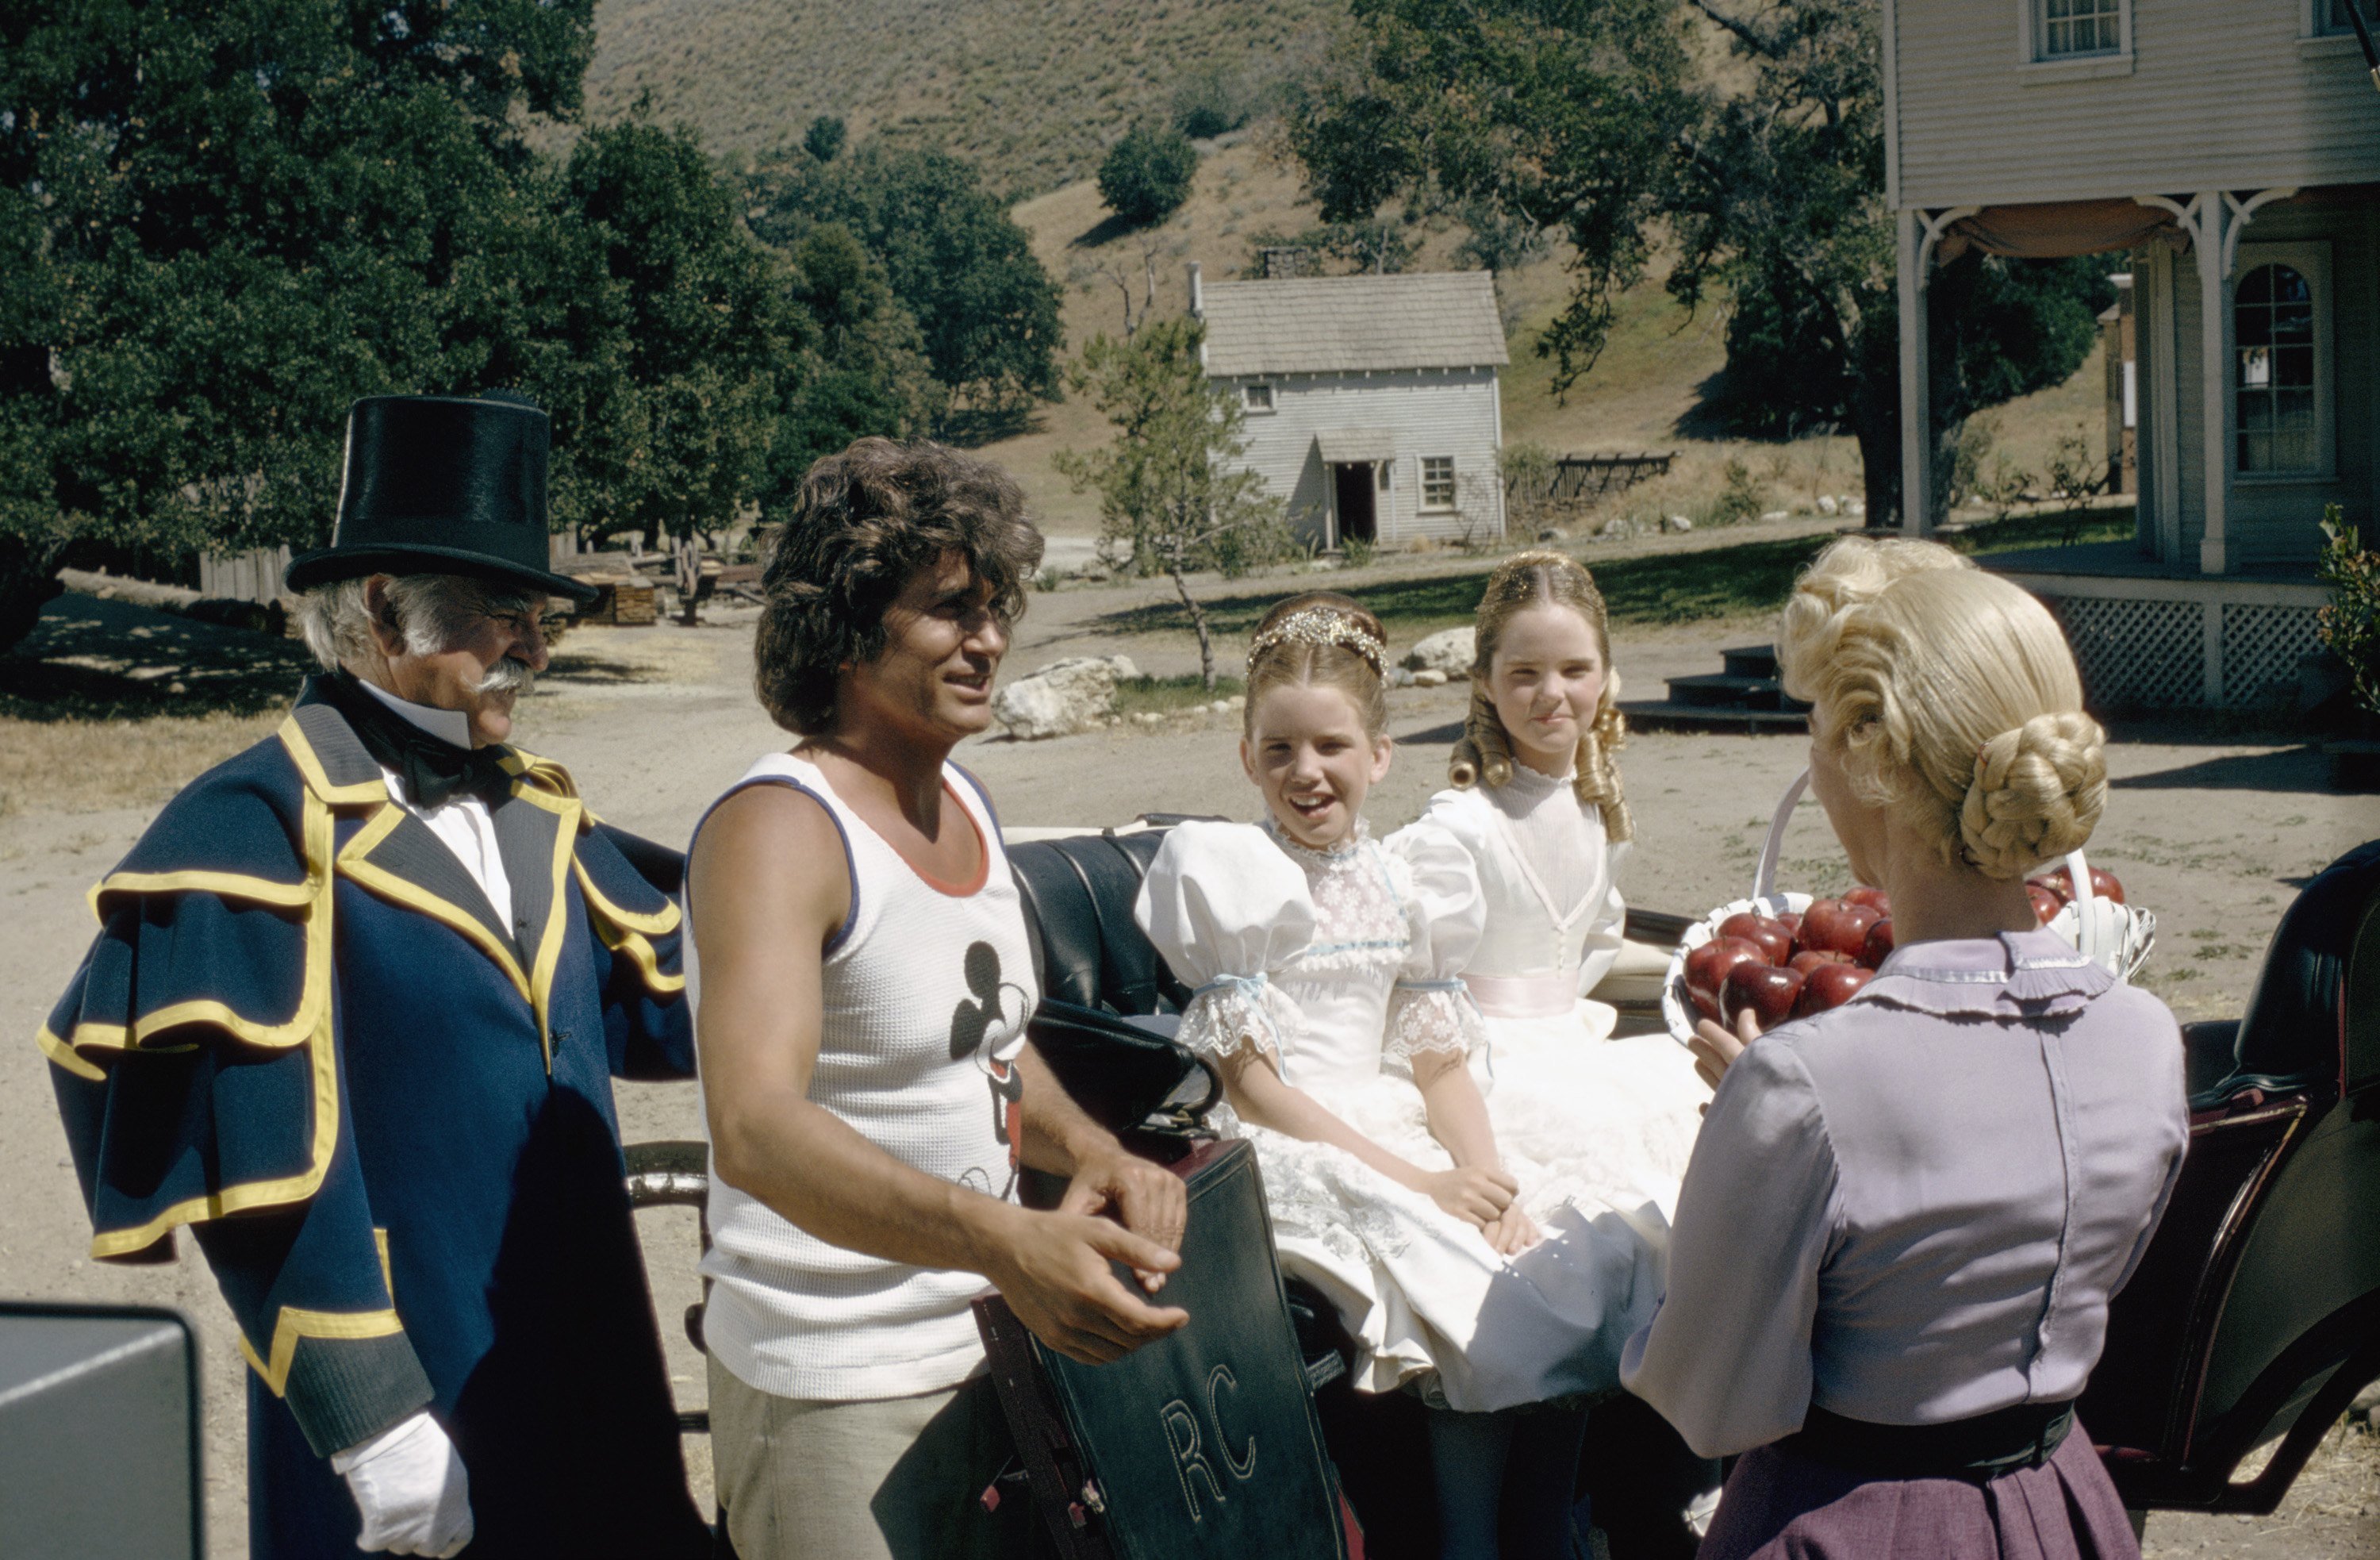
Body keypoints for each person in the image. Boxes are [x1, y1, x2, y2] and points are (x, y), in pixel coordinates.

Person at [40, 394, 710, 1559]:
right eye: (504, 615)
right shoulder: (254, 825)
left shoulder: (539, 807)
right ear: (387, 608)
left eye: (539, 617)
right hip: (419, 1387)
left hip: (591, 1351)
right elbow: (257, 1160)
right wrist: (368, 1416)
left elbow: (668, 1010)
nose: (537, 649)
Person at [1621, 536, 2190, 1560]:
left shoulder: (1804, 1080)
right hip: (2061, 1506)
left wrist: (1741, 1139)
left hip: (1849, 1519)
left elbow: (1707, 1403)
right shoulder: (2145, 1038)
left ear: (1865, 756)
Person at [687, 437, 1191, 1560]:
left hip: (992, 1350)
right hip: (839, 1386)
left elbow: (987, 1039)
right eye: (950, 611)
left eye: (997, 606)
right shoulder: (780, 827)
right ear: (852, 627)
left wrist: (1091, 1148)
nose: (992, 639)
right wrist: (1003, 1237)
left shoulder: (963, 796)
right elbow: (755, 1127)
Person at [1134, 593, 1667, 1560]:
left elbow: (1438, 1059)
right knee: (1467, 1284)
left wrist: (1485, 1171)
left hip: (1395, 1116)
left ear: (1379, 755)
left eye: (1332, 746)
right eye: (1281, 749)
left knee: (1581, 1240)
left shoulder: (1402, 881)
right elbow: (1256, 1088)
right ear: (1248, 758)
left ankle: (1544, 1521)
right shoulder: (1235, 875)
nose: (1308, 772)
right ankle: (1467, 1542)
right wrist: (1425, 1181)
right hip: (1297, 1131)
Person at [1410, 550, 1718, 1552]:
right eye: (1524, 674)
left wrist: (1695, 957)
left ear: (1607, 677)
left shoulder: (1592, 811)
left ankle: (1565, 1508)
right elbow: (1422, 989)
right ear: (1485, 684)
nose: (1553, 696)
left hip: (1572, 1044)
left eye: (1575, 671)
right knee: (1529, 1272)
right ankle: (1474, 1534)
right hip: (1487, 1059)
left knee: (1661, 1210)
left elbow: (1584, 952)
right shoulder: (1456, 829)